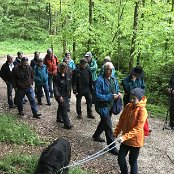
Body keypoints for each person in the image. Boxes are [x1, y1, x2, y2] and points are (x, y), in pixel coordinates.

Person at [113, 87, 147, 174]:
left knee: (132, 161)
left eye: (134, 98)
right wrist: (116, 132)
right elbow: (121, 120)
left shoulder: (142, 110)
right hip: (125, 139)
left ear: (140, 98)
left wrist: (124, 137)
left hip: (135, 142)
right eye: (131, 97)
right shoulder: (128, 106)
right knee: (120, 158)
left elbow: (138, 128)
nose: (131, 100)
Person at [93, 62, 121, 155]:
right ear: (105, 69)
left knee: (104, 122)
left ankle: (96, 135)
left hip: (110, 106)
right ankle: (112, 147)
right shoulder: (99, 80)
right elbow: (97, 96)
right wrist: (110, 96)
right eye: (109, 69)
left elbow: (117, 88)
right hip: (102, 107)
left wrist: (118, 93)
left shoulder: (113, 78)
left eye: (112, 69)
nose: (110, 71)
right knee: (108, 125)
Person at [53, 62, 73, 129]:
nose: (65, 70)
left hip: (66, 94)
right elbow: (55, 88)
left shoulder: (67, 75)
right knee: (64, 108)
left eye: (66, 68)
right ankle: (67, 124)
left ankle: (59, 118)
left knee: (62, 106)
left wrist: (70, 92)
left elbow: (69, 84)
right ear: (60, 68)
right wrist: (59, 96)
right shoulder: (56, 76)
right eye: (64, 69)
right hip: (59, 94)